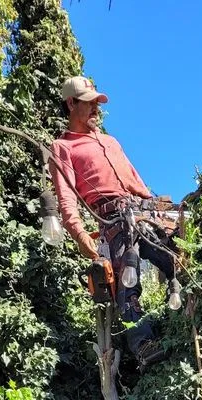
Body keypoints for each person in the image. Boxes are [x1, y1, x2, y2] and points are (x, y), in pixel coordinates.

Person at [49, 76, 178, 368]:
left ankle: (187, 311)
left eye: (97, 102)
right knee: (125, 282)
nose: (96, 108)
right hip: (111, 220)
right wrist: (82, 236)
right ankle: (143, 343)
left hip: (141, 212)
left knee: (175, 258)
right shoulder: (63, 147)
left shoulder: (110, 141)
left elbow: (137, 181)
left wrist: (159, 209)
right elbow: (67, 197)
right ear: (71, 104)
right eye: (89, 103)